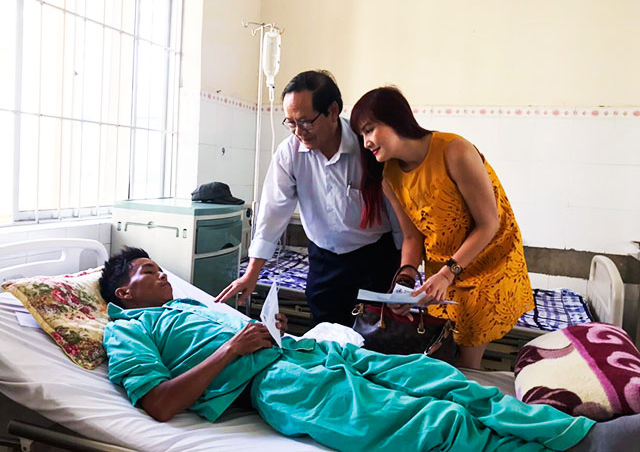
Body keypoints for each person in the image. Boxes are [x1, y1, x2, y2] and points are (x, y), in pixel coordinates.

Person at [100, 247, 640, 452]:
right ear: (124, 293)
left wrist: (269, 330)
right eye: (148, 270)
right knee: (418, 418)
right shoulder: (128, 330)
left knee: (437, 378)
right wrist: (234, 352)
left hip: (303, 352)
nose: (161, 272)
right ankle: (576, 448)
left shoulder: (193, 305)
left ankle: (566, 429)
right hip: (271, 383)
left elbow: (243, 337)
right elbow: (160, 405)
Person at [349, 86, 534, 369]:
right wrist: (404, 283)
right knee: (441, 358)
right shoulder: (390, 176)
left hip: (488, 267)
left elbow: (489, 224)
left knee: (465, 367)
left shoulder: (454, 151)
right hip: (444, 273)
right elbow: (412, 237)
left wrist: (447, 274)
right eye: (362, 135)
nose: (366, 143)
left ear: (395, 119)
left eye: (369, 130)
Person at [214, 70, 400, 327]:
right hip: (324, 261)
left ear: (332, 111)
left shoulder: (367, 147)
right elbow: (272, 213)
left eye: (305, 122)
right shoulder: (289, 153)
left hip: (375, 259)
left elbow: (398, 215)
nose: (298, 132)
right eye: (291, 123)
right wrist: (252, 274)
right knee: (326, 335)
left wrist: (404, 271)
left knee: (375, 336)